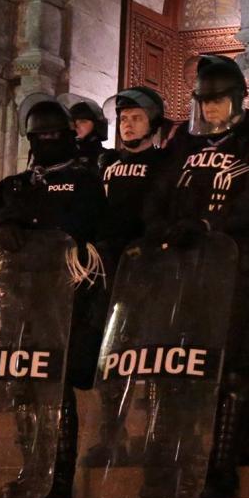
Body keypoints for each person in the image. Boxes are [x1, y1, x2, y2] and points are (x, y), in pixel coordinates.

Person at [0, 93, 107, 498]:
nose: (46, 142)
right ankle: (33, 471)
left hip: (64, 296)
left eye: (52, 135)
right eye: (38, 137)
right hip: (19, 297)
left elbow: (85, 224)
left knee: (55, 384)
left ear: (67, 136)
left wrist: (26, 222)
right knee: (23, 387)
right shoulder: (15, 185)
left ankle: (58, 476)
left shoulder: (85, 179)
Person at [147, 54, 249, 498]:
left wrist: (210, 225)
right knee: (179, 363)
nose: (211, 108)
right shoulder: (183, 145)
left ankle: (222, 466)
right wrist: (162, 230)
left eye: (218, 100)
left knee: (230, 366)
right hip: (184, 269)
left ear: (236, 100)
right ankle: (171, 461)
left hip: (236, 266)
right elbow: (158, 193)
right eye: (205, 101)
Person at [82, 85, 169, 468]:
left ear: (153, 123)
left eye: (136, 118)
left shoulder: (164, 163)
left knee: (149, 353)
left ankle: (156, 436)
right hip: (105, 269)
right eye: (123, 119)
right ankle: (111, 436)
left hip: (148, 268)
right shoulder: (106, 164)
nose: (128, 125)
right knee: (110, 354)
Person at [60, 95, 109, 174]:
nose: (76, 126)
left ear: (96, 124)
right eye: (73, 122)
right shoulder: (64, 155)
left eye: (82, 121)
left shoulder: (108, 157)